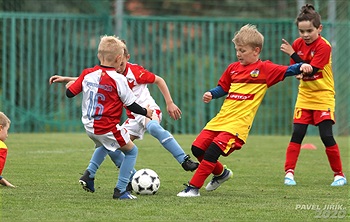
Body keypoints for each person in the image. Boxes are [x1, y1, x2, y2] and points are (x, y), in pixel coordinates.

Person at [177, 24, 313, 197]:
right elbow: (223, 88)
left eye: (242, 50)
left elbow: (288, 70)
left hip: (238, 125)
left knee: (212, 151)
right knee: (197, 149)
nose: (238, 54)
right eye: (237, 50)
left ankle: (193, 188)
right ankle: (221, 174)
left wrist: (303, 66)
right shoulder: (232, 68)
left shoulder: (265, 69)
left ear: (256, 50)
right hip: (221, 119)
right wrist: (211, 93)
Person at [66, 35, 153, 200]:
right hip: (106, 127)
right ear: (120, 58)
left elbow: (69, 93)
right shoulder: (119, 79)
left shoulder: (87, 73)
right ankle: (121, 190)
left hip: (89, 126)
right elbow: (131, 105)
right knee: (132, 151)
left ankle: (89, 176)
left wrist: (69, 86)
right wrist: (146, 112)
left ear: (99, 55)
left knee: (105, 145)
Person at [280, 4, 347, 186]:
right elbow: (299, 70)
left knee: (326, 136)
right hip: (305, 96)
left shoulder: (324, 46)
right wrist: (297, 71)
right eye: (302, 31)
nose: (305, 35)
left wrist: (295, 57)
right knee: (297, 133)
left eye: (309, 30)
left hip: (323, 95)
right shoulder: (297, 45)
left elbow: (313, 69)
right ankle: (289, 173)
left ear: (319, 28)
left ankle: (339, 175)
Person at [0, 112, 16, 188]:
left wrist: (2, 180)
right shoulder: (1, 146)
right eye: (7, 130)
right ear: (0, 128)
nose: (7, 135)